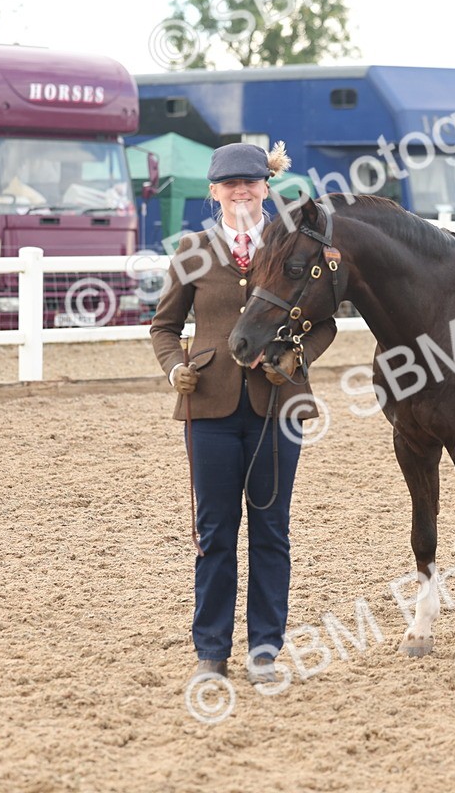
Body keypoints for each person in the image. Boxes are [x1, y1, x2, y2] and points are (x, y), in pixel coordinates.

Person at [150, 142, 337, 684]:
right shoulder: (191, 250)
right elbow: (164, 327)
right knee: (215, 532)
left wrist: (297, 357)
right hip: (209, 405)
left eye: (250, 182)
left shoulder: (293, 244)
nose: (240, 191)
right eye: (230, 184)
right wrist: (174, 369)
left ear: (265, 187)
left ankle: (264, 652)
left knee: (271, 531)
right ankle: (211, 650)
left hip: (277, 404)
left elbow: (325, 321)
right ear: (214, 191)